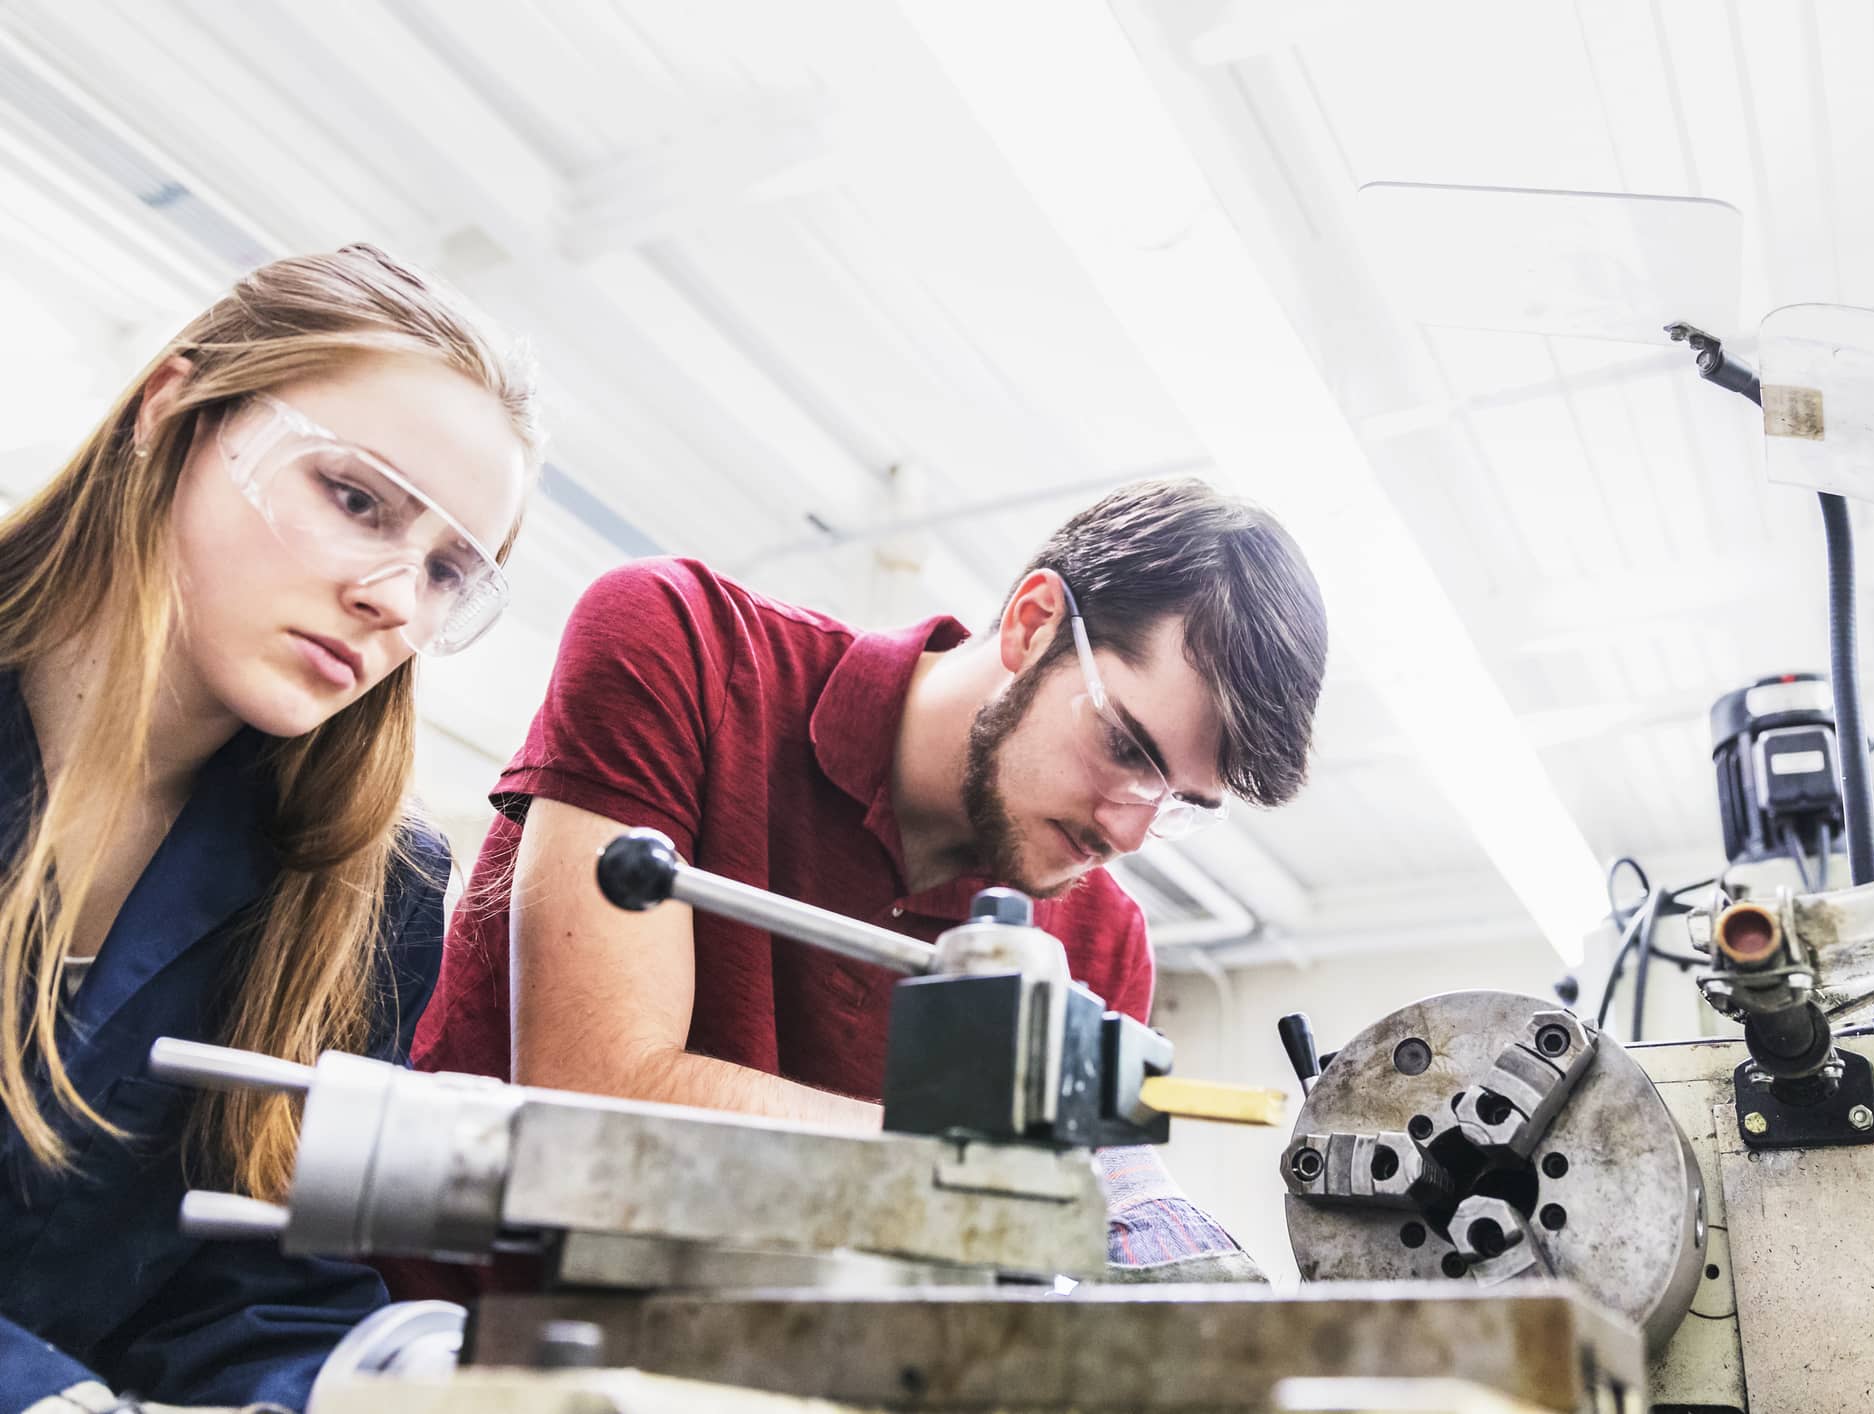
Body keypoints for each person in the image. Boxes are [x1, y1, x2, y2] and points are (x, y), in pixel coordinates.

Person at [411, 478, 1327, 1276]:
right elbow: (593, 1108)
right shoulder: (684, 646)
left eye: (1178, 803)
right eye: (1125, 747)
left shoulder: (1100, 942)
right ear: (1033, 623)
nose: (1127, 832)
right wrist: (1012, 1175)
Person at [0, 245, 540, 1412]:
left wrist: (383, 1380)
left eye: (451, 570)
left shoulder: (371, 892)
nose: (395, 597)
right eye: (355, 499)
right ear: (175, 410)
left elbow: (246, 1283)